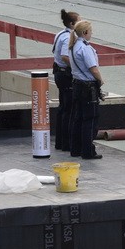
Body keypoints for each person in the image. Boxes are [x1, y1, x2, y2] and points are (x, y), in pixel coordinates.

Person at [67, 19, 104, 160]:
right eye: (91, 31)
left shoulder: (73, 46)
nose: (92, 34)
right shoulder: (85, 48)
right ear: (85, 32)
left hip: (77, 85)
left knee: (78, 118)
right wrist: (100, 80)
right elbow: (93, 69)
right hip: (88, 88)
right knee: (90, 119)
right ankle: (88, 151)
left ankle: (75, 148)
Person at [52, 8, 80, 151]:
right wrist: (76, 67)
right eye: (78, 22)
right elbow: (64, 55)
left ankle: (60, 142)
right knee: (68, 109)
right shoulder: (67, 37)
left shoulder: (59, 34)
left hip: (58, 72)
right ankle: (66, 142)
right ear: (71, 23)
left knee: (63, 108)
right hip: (65, 74)